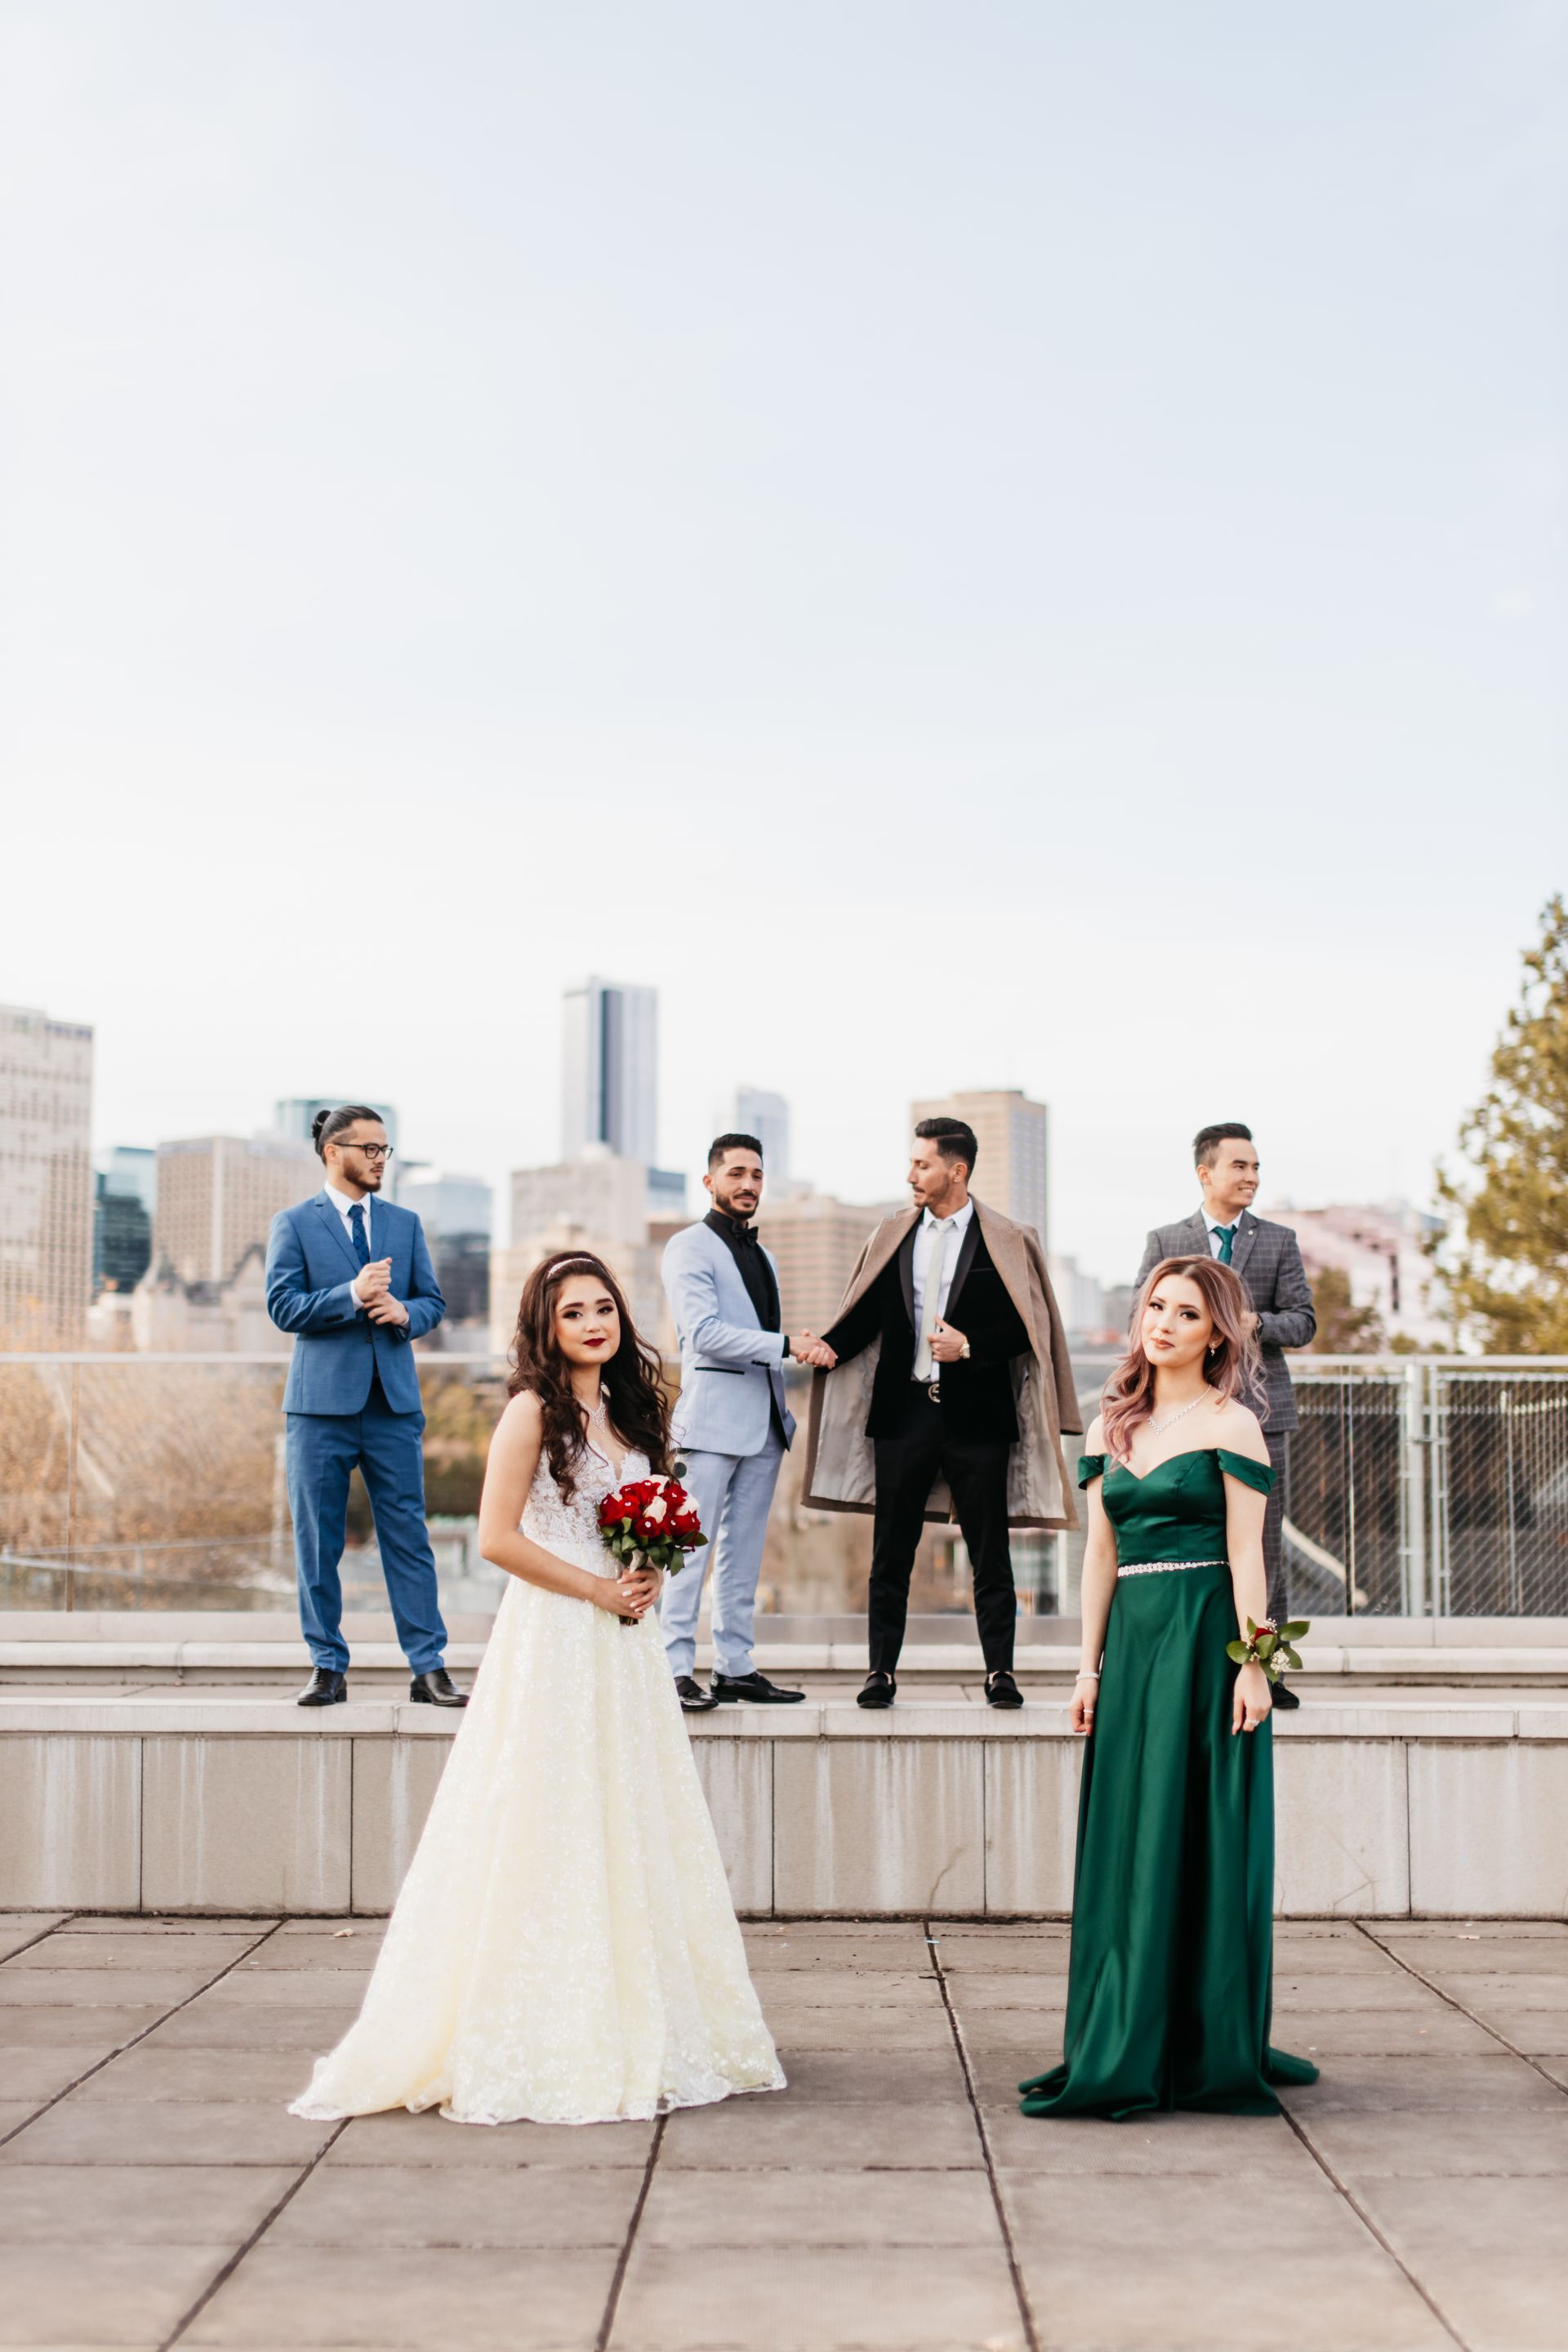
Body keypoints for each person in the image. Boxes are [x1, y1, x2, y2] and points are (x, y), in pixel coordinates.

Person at [290, 1250, 785, 2128]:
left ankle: (643, 2013)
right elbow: (493, 1537)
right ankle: (544, 2023)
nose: (595, 1324)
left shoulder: (631, 1412)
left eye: (604, 1309)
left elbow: (654, 1513)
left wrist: (649, 1572)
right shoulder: (531, 1412)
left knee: (628, 1815)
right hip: (558, 1631)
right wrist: (595, 1586)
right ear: (546, 1330)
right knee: (547, 1812)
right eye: (573, 1314)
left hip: (624, 1641)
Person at [1018, 1255, 1319, 2121]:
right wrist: (1087, 1666)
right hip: (1136, 1649)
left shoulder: (1235, 1427)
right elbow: (1099, 1556)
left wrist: (1255, 1663)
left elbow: (1246, 1558)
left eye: (1186, 1313)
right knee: (1131, 1835)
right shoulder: (1114, 1426)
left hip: (1203, 1641)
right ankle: (1126, 2026)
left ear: (1217, 1331)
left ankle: (1204, 2041)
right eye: (1155, 1306)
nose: (1164, 1323)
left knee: (1205, 1833)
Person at [801, 1117, 1080, 1710]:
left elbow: (1026, 1327)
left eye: (922, 1164)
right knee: (890, 1555)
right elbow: (869, 1313)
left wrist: (969, 1345)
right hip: (904, 1417)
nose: (911, 1175)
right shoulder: (893, 1234)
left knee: (990, 1553)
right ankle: (881, 1672)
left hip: (979, 1418)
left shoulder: (1006, 1237)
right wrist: (828, 1347)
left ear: (958, 1170)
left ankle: (999, 1674)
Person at [265, 1106, 466, 1709]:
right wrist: (351, 1295)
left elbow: (432, 1300)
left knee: (408, 1537)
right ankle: (327, 1666)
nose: (380, 1158)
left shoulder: (404, 1224)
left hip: (393, 1406)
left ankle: (428, 1667)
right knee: (318, 1542)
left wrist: (407, 1313)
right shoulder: (295, 1223)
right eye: (369, 1148)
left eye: (386, 1149)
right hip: (319, 1409)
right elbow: (283, 1308)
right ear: (333, 1152)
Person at [1135, 1124, 1316, 1707]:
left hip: (1262, 1413)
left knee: (1262, 1544)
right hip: (1182, 1415)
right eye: (1240, 1166)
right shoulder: (1167, 1240)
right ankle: (1198, 1659)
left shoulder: (1280, 1240)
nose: (1252, 1178)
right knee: (1193, 1542)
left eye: (1257, 1168)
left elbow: (1304, 1321)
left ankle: (1269, 1665)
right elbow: (1144, 1313)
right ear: (1205, 1173)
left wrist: (1253, 1325)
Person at [659, 1133, 826, 1713]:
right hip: (710, 1423)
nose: (748, 1184)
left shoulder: (766, 1255)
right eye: (735, 1173)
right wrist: (786, 1344)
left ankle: (735, 1666)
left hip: (765, 1425)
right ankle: (674, 1668)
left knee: (744, 1553)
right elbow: (701, 1334)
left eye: (756, 1174)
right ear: (710, 1182)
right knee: (688, 1548)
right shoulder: (687, 1247)